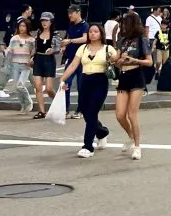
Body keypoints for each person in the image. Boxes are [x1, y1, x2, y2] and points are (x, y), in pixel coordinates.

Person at [60, 24, 118, 157]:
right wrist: (63, 79)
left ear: (101, 34)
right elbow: (74, 65)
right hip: (85, 81)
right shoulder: (83, 48)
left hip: (100, 81)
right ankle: (102, 132)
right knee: (85, 112)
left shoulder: (108, 49)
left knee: (92, 112)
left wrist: (115, 58)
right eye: (90, 31)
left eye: (96, 31)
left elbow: (117, 62)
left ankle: (88, 146)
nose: (92, 34)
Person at [114, 10, 153, 161]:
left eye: (125, 24)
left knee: (132, 114)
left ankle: (137, 146)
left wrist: (134, 60)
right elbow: (116, 61)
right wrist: (119, 61)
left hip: (136, 75)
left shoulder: (141, 40)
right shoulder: (122, 41)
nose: (123, 27)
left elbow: (149, 61)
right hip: (123, 76)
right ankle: (130, 136)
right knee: (119, 114)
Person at [0, 4, 32, 96]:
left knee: (25, 67)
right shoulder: (23, 22)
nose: (31, 12)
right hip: (18, 48)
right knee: (21, 67)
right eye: (30, 10)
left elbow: (9, 33)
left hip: (15, 47)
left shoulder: (16, 20)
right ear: (26, 10)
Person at [60, 5, 89, 118]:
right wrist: (64, 46)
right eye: (69, 13)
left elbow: (85, 38)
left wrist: (70, 41)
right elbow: (67, 37)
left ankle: (80, 110)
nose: (70, 15)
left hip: (82, 60)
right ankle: (65, 109)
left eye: (72, 13)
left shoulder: (84, 25)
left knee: (81, 86)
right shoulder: (70, 25)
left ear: (78, 12)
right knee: (66, 83)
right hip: (71, 59)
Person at [2, 17, 35, 113]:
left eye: (24, 26)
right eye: (20, 26)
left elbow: (33, 53)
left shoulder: (31, 40)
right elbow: (9, 49)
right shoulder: (14, 38)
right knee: (16, 86)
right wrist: (5, 51)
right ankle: (23, 104)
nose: (22, 28)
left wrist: (32, 60)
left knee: (20, 85)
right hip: (15, 64)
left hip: (26, 65)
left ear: (28, 27)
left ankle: (28, 102)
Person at [31, 12, 60, 118]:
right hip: (38, 59)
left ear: (51, 22)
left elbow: (58, 48)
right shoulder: (38, 33)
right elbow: (35, 47)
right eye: (42, 20)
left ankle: (59, 103)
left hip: (49, 60)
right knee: (38, 87)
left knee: (48, 88)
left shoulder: (55, 34)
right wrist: (31, 58)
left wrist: (53, 50)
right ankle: (42, 111)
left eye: (46, 21)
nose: (44, 23)